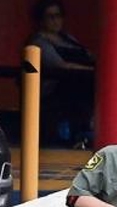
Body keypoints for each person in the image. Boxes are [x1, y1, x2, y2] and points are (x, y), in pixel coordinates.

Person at [28, 0, 95, 145]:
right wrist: (90, 70)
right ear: (41, 20)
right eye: (50, 17)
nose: (55, 20)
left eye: (58, 16)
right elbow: (60, 65)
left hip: (80, 85)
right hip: (54, 91)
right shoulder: (39, 42)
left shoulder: (68, 38)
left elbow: (88, 55)